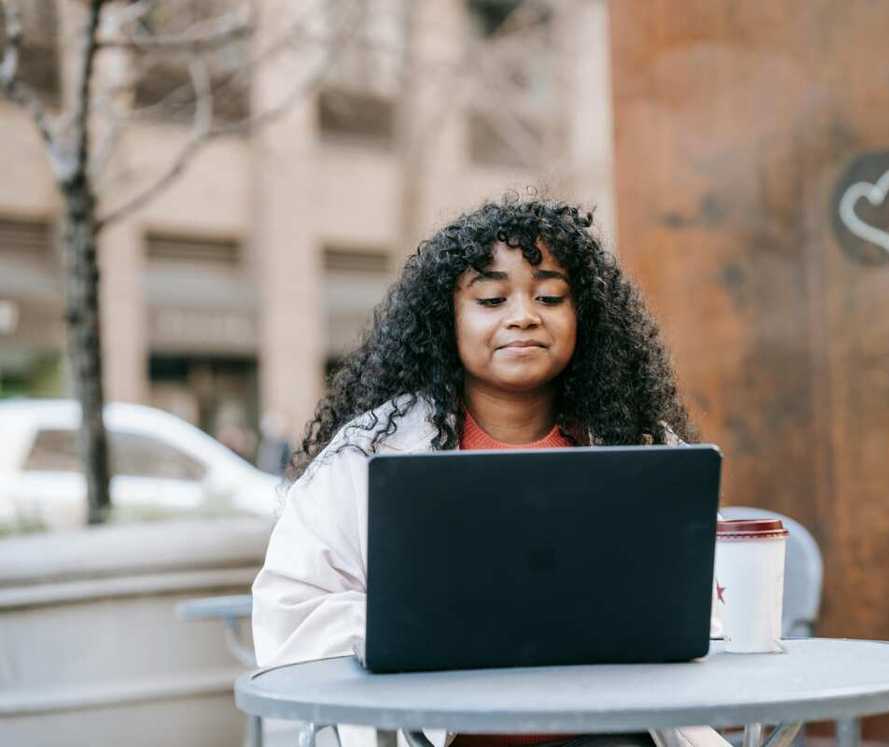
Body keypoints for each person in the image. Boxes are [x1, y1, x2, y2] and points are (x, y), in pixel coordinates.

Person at [252, 196, 728, 747]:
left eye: (549, 295)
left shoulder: (642, 445)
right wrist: (417, 631)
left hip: (614, 733)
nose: (523, 315)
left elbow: (704, 612)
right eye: (492, 298)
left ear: (585, 315)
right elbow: (291, 609)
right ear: (446, 320)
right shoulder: (366, 455)